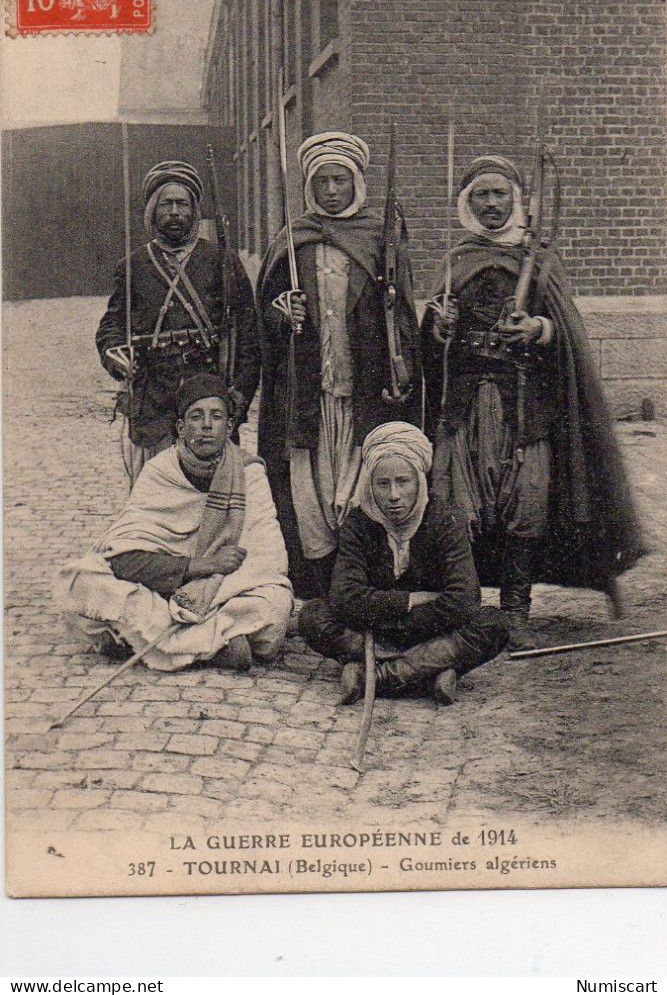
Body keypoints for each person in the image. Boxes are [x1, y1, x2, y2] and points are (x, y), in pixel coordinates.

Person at [420, 154, 645, 647]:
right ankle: (469, 610)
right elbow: (430, 342)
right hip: (465, 406)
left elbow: (568, 330)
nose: (492, 203)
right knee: (461, 507)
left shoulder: (538, 260)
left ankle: (516, 614)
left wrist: (539, 329)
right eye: (483, 194)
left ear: (517, 199)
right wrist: (438, 328)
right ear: (468, 202)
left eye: (501, 193)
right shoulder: (456, 260)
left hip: (526, 406)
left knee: (526, 507)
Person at [256, 132, 422, 597]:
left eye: (340, 180)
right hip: (308, 394)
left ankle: (360, 585)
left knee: (356, 488)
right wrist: (279, 311)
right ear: (310, 187)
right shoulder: (293, 242)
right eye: (322, 181)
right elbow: (262, 319)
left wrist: (401, 368)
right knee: (310, 492)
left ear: (357, 183)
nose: (331, 190)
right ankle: (320, 589)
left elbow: (404, 316)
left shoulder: (379, 239)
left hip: (362, 394)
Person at [57, 374, 292, 672]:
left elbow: (266, 560)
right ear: (181, 428)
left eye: (216, 416)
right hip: (161, 590)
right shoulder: (159, 471)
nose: (206, 425)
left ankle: (146, 641)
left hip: (223, 594)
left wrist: (209, 587)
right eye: (196, 416)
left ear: (229, 427)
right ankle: (215, 647)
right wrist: (197, 566)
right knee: (81, 581)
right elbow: (122, 558)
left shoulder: (250, 474)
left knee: (274, 604)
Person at [298, 422, 509, 704]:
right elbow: (344, 597)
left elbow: (464, 600)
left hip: (416, 628)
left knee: (494, 623)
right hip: (385, 632)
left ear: (419, 481)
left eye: (403, 482)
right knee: (313, 615)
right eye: (382, 484)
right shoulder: (359, 523)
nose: (393, 495)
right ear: (370, 485)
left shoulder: (445, 520)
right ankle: (431, 668)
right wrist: (409, 601)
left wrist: (390, 614)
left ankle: (378, 675)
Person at [96, 160, 260, 470]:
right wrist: (114, 352)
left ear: (194, 209)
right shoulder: (134, 265)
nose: (174, 212)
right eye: (166, 204)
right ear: (152, 211)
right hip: (154, 394)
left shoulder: (221, 260)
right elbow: (112, 324)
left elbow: (249, 335)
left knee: (212, 493)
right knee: (155, 491)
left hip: (208, 393)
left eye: (182, 204)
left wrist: (239, 393)